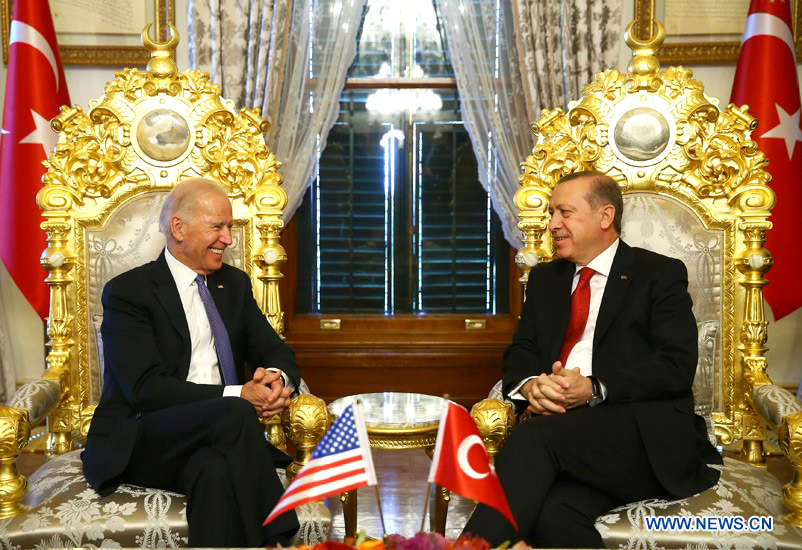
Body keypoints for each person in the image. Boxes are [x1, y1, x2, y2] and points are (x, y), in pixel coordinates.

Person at [463, 171, 722, 548]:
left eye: (564, 213)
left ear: (604, 216)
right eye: (552, 213)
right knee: (555, 515)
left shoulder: (658, 275)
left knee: (533, 438)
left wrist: (595, 387)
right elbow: (521, 350)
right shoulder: (545, 280)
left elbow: (675, 366)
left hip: (639, 440)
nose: (552, 224)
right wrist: (532, 385)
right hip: (569, 438)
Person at [82, 177, 300, 547]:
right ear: (178, 228)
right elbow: (144, 389)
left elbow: (274, 351)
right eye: (217, 227)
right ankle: (278, 537)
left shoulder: (233, 284)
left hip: (217, 438)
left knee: (213, 471)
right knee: (234, 410)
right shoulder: (129, 293)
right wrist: (239, 394)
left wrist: (276, 380)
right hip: (145, 436)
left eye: (229, 227)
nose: (228, 238)